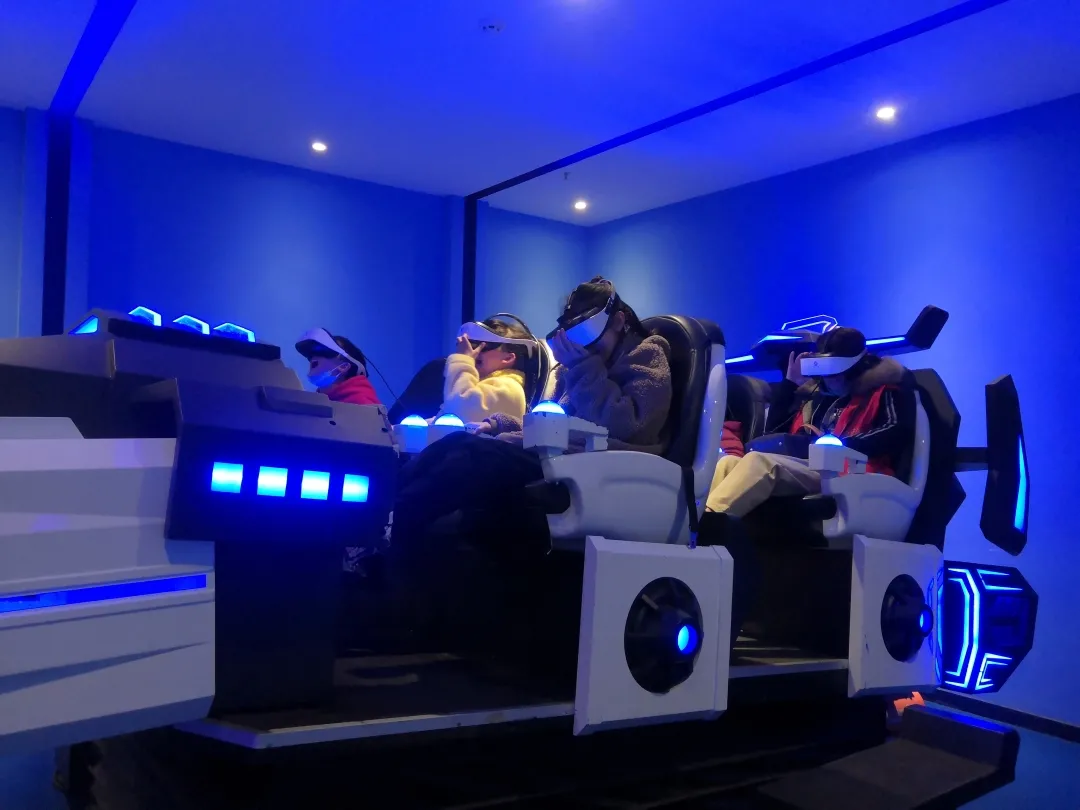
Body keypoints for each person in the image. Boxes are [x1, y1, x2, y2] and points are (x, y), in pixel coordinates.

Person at [705, 326, 915, 517]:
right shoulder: (823, 398)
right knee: (728, 463)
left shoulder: (886, 391)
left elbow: (895, 431)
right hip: (818, 467)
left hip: (855, 472)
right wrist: (790, 384)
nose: (827, 381)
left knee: (758, 463)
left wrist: (839, 446)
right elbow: (773, 433)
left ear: (856, 370)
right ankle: (696, 521)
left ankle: (705, 525)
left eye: (833, 375)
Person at [429, 318, 532, 426]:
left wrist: (463, 359)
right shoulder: (479, 387)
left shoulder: (509, 388)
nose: (474, 351)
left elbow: (458, 412)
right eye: (472, 345)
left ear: (508, 358)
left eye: (483, 346)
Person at [295, 328, 381, 406]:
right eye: (310, 355)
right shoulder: (313, 407)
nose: (313, 357)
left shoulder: (365, 407)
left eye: (322, 350)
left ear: (343, 367)